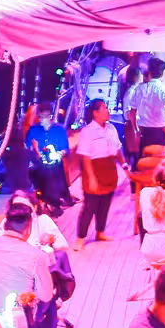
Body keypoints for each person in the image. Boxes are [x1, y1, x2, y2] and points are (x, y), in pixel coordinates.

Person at [0, 203, 56, 316]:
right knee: (47, 299)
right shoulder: (36, 255)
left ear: (5, 224)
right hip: (14, 324)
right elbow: (46, 296)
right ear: (28, 228)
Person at [69, 99, 123, 248]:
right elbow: (85, 156)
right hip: (94, 170)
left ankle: (100, 232)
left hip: (109, 169)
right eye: (105, 108)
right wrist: (91, 178)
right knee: (90, 206)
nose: (108, 111)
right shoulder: (88, 132)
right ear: (95, 113)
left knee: (105, 204)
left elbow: (117, 148)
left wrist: (124, 164)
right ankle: (80, 238)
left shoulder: (111, 128)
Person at [24, 100, 71, 212]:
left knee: (53, 170)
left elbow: (65, 149)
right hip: (38, 164)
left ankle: (54, 202)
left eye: (44, 117)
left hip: (54, 164)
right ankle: (45, 202)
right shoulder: (34, 130)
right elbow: (27, 146)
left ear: (49, 115)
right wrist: (35, 149)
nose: (41, 120)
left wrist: (58, 154)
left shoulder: (59, 130)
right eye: (40, 117)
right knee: (40, 171)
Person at [129, 56, 165, 152]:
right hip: (160, 132)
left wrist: (136, 130)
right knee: (160, 161)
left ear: (150, 72)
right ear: (162, 74)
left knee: (145, 161)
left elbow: (132, 113)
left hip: (144, 131)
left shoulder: (138, 89)